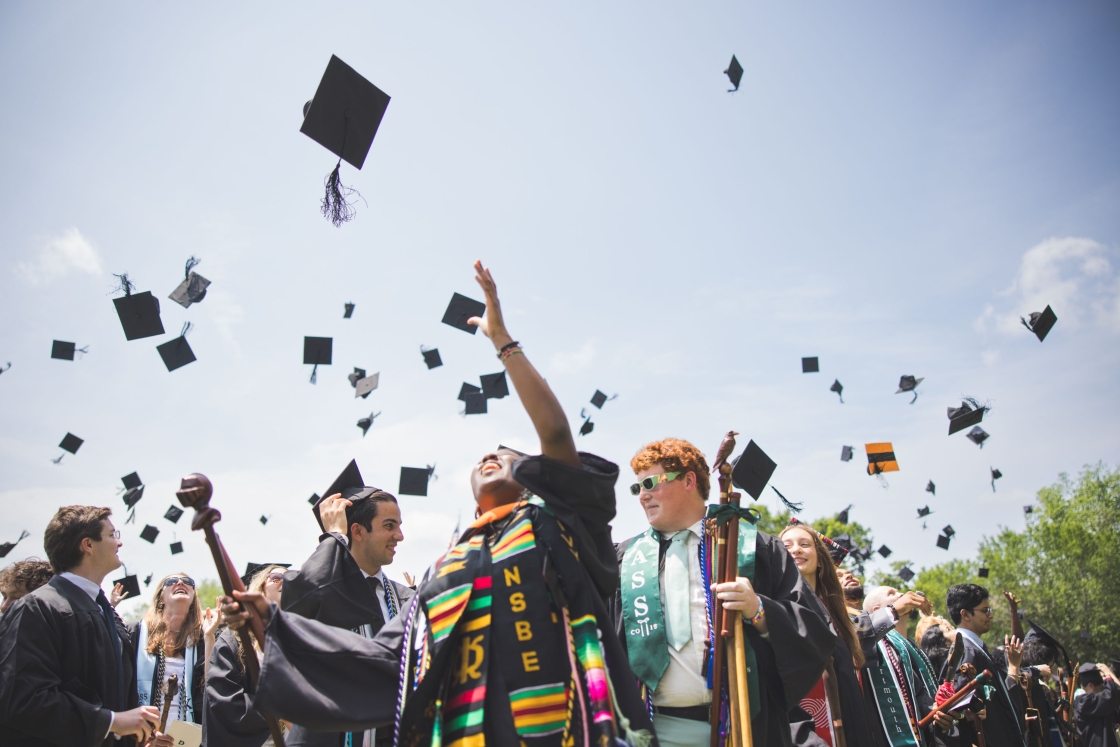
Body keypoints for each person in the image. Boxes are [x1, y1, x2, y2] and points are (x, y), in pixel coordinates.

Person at [219, 261, 654, 747]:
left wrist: (502, 342)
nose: (492, 455)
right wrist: (270, 623)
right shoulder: (447, 568)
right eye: (484, 457)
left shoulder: (558, 526)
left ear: (534, 482)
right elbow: (388, 660)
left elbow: (554, 434)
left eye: (508, 457)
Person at [609, 438, 834, 746]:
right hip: (649, 729)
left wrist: (759, 609)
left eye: (650, 483)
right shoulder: (626, 558)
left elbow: (815, 630)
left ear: (689, 480)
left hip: (740, 728)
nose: (642, 496)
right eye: (637, 488)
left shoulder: (754, 547)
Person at [0, 506, 162, 745]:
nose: (119, 543)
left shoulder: (106, 613)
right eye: (111, 535)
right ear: (88, 545)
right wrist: (110, 722)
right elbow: (24, 699)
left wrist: (135, 733)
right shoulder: (38, 608)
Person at [280, 481, 413, 747]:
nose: (399, 536)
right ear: (357, 531)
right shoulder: (323, 595)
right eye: (389, 526)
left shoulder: (406, 599)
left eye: (399, 526)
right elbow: (305, 597)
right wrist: (334, 538)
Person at [779, 522, 874, 747]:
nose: (796, 549)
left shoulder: (837, 616)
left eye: (805, 544)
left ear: (821, 560)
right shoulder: (774, 609)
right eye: (787, 546)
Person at [127, 571, 219, 741]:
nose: (180, 582)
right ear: (160, 597)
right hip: (141, 737)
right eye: (171, 581)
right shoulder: (136, 633)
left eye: (187, 581)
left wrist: (209, 637)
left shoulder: (203, 638)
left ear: (193, 598)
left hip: (187, 738)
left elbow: (213, 687)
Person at [204, 564, 288, 747]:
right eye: (276, 577)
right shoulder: (234, 638)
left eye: (291, 577)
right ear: (260, 588)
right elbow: (223, 698)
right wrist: (279, 711)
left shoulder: (299, 637)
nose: (285, 581)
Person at [862, 585, 957, 745]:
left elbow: (917, 691)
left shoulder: (908, 646)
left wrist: (934, 709)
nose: (901, 594)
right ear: (878, 610)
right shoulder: (875, 649)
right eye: (891, 593)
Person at [945, 583, 1025, 747]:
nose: (991, 615)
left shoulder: (975, 648)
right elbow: (959, 706)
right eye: (985, 610)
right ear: (965, 614)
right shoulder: (966, 651)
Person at [1073, 663, 1120, 747]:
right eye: (1100, 688)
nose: (1101, 692)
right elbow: (1110, 696)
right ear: (1090, 685)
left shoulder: (1098, 705)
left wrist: (1110, 674)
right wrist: (1108, 674)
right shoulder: (1084, 702)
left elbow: (1116, 693)